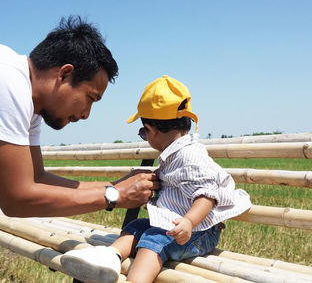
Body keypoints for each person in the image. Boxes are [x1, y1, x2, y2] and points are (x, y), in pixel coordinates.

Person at [0, 16, 159, 283]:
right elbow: (15, 198)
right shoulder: (4, 81)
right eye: (90, 98)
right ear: (64, 74)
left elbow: (37, 178)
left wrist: (113, 186)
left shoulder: (26, 100)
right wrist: (113, 195)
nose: (86, 114)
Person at [60, 75, 252, 283]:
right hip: (180, 225)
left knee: (153, 240)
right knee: (138, 227)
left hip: (199, 231)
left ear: (151, 130)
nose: (145, 136)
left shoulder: (190, 156)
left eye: (143, 132)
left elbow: (207, 195)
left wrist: (188, 222)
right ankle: (109, 256)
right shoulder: (174, 154)